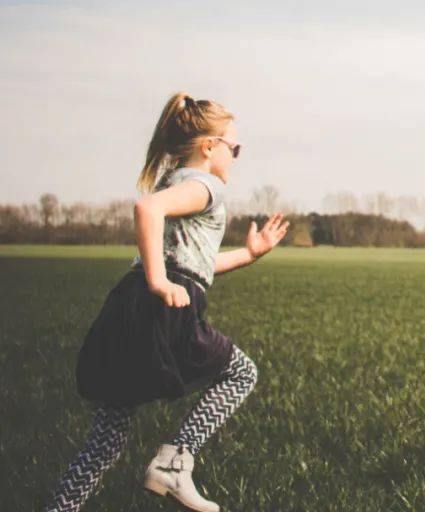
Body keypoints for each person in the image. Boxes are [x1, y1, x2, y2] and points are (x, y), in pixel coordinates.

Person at [43, 92, 289, 512]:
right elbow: (147, 211)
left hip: (130, 305)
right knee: (241, 374)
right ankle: (175, 461)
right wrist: (159, 282)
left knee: (107, 436)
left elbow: (194, 263)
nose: (237, 156)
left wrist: (249, 254)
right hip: (165, 308)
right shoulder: (205, 186)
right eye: (235, 147)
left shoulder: (173, 180)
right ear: (209, 147)